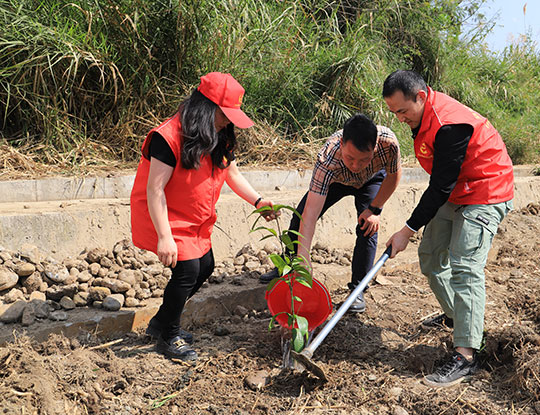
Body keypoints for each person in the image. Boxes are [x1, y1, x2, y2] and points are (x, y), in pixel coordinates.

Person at [130, 72, 277, 361]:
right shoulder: (168, 137)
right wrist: (164, 237)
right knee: (187, 272)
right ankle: (169, 336)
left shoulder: (219, 134)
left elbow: (231, 172)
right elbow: (155, 189)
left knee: (206, 266)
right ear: (206, 107)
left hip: (195, 218)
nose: (229, 121)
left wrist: (258, 201)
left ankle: (160, 323)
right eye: (225, 114)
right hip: (165, 216)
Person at [382, 70, 514, 387]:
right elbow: (444, 184)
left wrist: (406, 230)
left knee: (465, 265)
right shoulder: (422, 117)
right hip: (458, 189)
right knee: (429, 256)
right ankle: (458, 316)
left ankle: (467, 355)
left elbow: (439, 187)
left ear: (422, 97)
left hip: (485, 190)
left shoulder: (449, 124)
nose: (399, 119)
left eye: (403, 111)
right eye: (393, 112)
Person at [259, 114, 402, 313]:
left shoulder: (389, 143)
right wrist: (304, 258)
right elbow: (310, 213)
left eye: (363, 160)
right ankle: (289, 264)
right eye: (350, 158)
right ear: (342, 143)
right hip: (337, 181)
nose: (355, 165)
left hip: (371, 180)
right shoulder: (328, 157)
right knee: (299, 215)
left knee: (367, 227)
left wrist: (375, 209)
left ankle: (358, 289)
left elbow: (394, 176)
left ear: (375, 147)